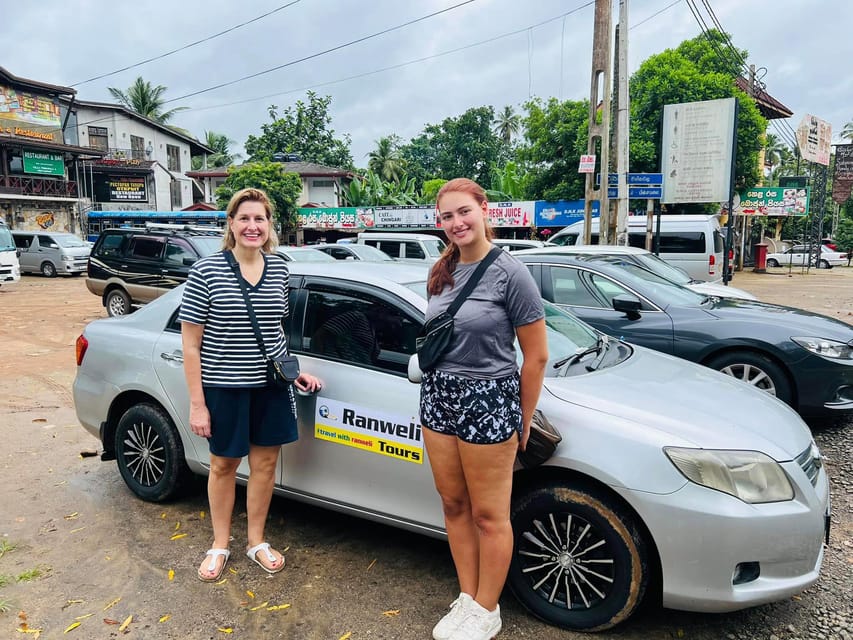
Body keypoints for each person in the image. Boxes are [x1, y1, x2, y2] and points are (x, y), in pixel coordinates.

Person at [420, 178, 548, 640]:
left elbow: (535, 357)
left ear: (483, 209)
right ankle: (469, 596)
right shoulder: (440, 270)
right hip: (438, 398)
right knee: (453, 504)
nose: (456, 223)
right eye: (447, 217)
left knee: (489, 515)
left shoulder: (510, 273)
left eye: (463, 212)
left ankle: (487, 609)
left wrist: (523, 417)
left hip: (488, 401)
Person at [180, 187, 322, 582]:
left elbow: (276, 331)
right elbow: (191, 345)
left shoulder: (279, 268)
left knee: (265, 465)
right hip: (224, 386)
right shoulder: (207, 271)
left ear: (269, 225)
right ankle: (220, 544)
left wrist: (296, 372)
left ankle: (256, 541)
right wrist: (198, 404)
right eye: (244, 218)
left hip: (270, 387)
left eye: (259, 218)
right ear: (231, 223)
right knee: (224, 464)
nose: (252, 226)